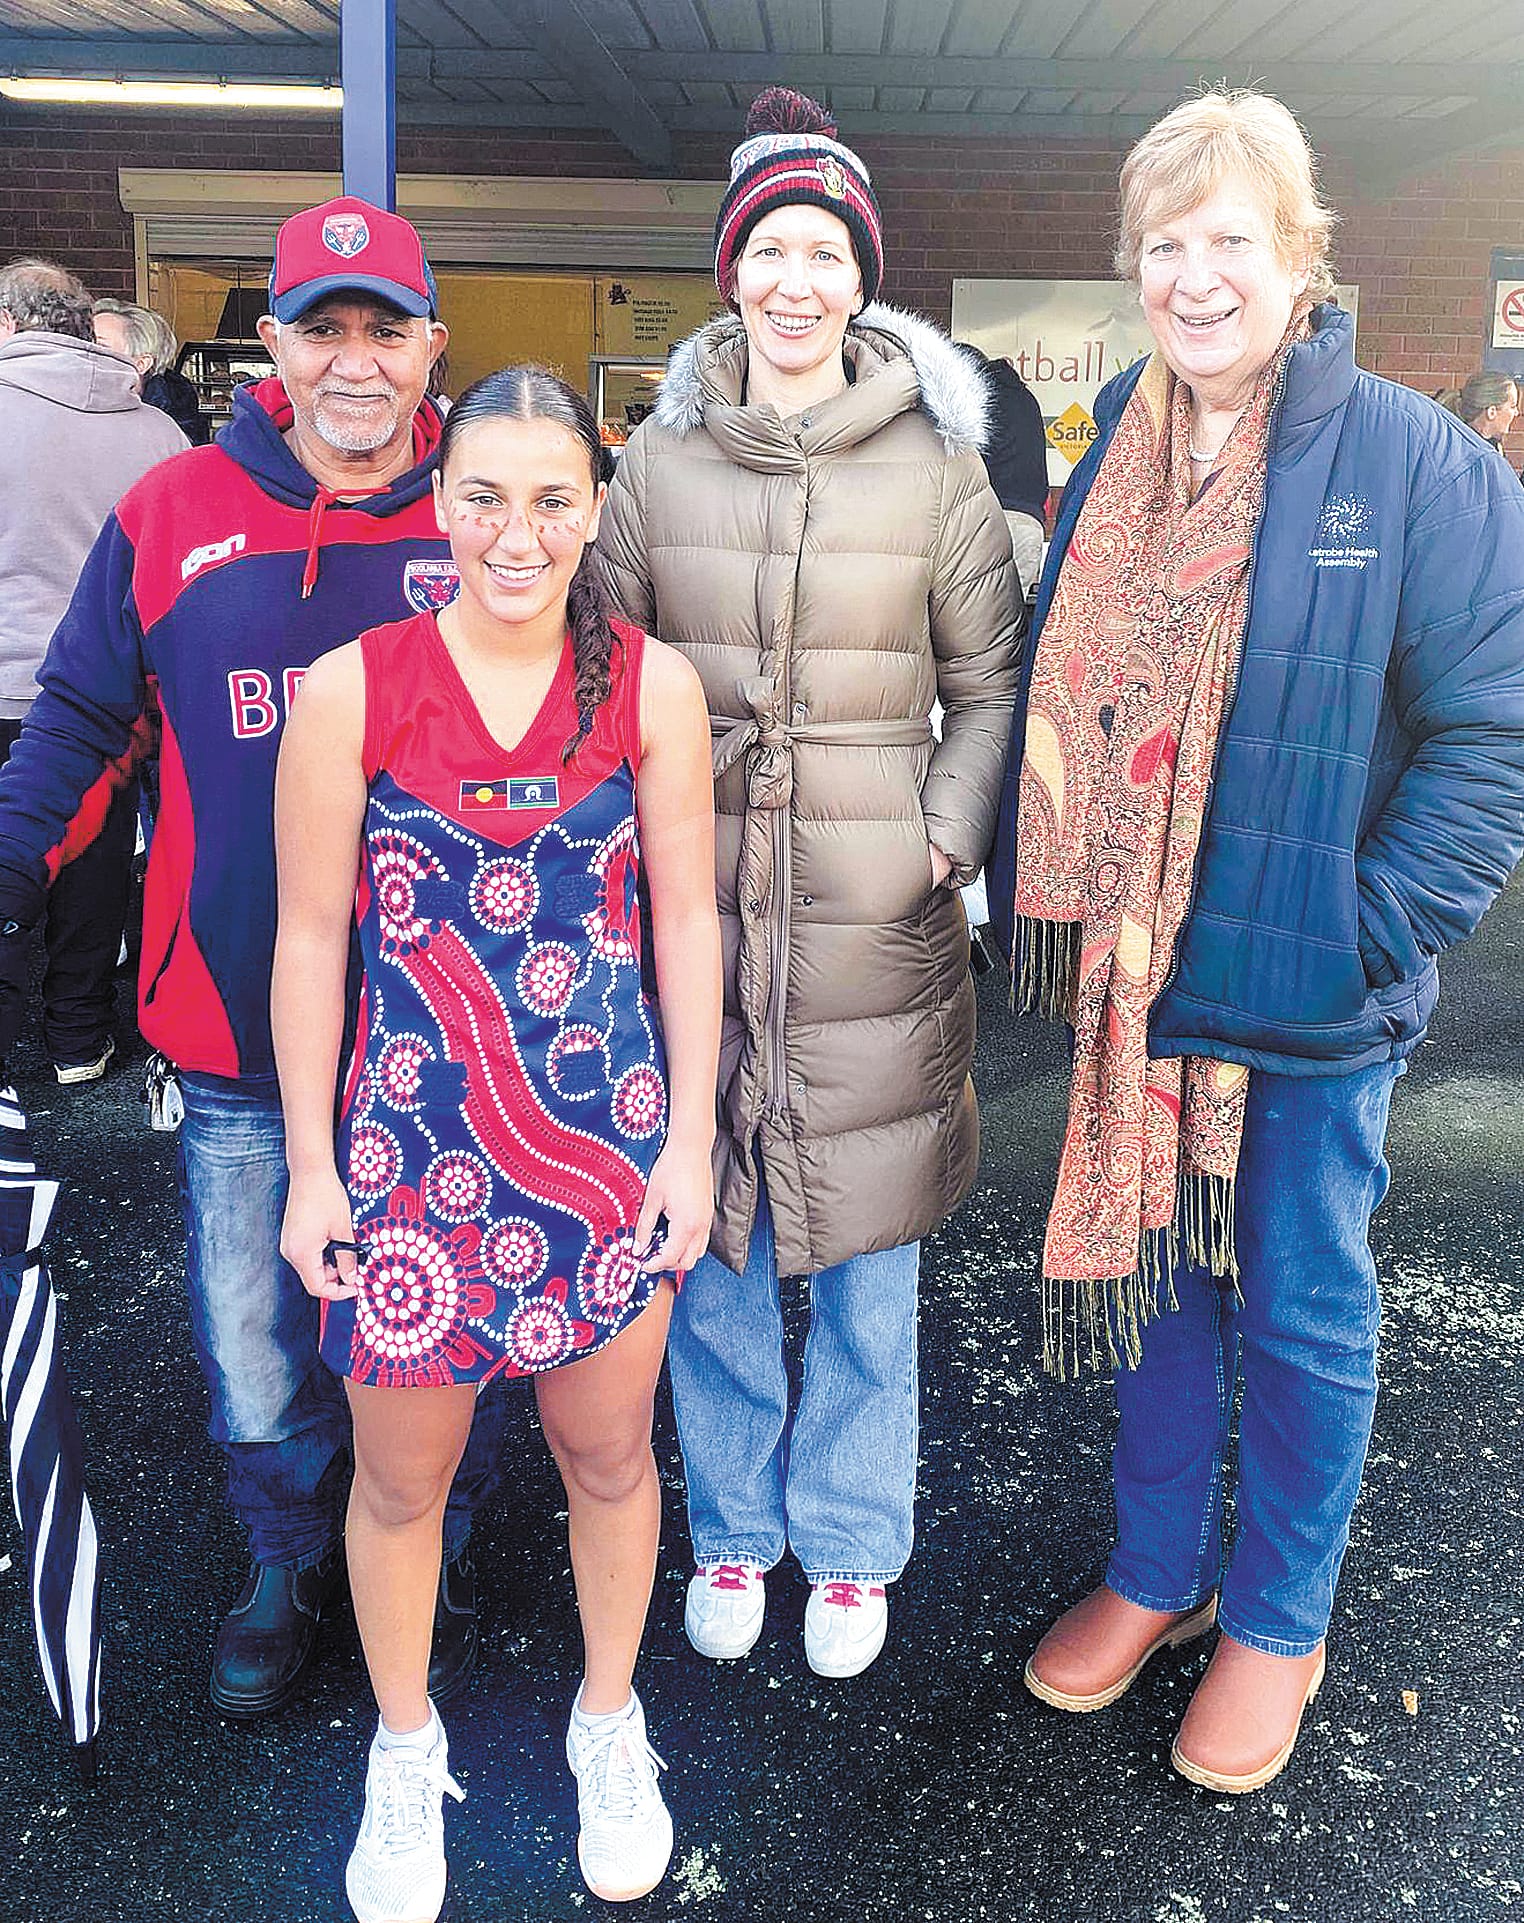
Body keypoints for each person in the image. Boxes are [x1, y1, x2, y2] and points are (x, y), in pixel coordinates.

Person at [986, 90, 1524, 1793]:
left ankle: (1275, 1616)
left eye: (1230, 239)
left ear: (1300, 256)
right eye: (1163, 245)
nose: (1194, 276)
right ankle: (1154, 1571)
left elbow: (1486, 733)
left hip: (1306, 993)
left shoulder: (1410, 460)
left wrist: (1360, 937)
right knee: (1153, 1295)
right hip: (1138, 993)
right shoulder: (1111, 459)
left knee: (1294, 1304)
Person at [0, 198, 510, 1719]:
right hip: (228, 1023)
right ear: (270, 344)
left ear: (432, 345)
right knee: (254, 1328)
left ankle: (432, 1535)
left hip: (446, 1029)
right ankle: (287, 1555)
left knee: (438, 1310)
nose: (356, 362)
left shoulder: (486, 512)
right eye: (323, 327)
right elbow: (82, 718)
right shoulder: (172, 510)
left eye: (386, 329)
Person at [273, 365, 720, 1919]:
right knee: (401, 1484)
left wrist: (692, 1144)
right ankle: (405, 1749)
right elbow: (314, 938)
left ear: (595, 508)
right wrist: (316, 1171)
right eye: (483, 494)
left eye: (551, 498)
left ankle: (612, 1716)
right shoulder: (354, 686)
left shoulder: (652, 688)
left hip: (607, 1154)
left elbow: (688, 926)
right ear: (437, 496)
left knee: (609, 1454)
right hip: (408, 1164)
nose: (515, 531)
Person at [597, 87, 1022, 1680]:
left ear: (861, 279)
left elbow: (989, 681)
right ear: (732, 268)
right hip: (693, 911)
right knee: (705, 1238)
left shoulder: (933, 466)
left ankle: (848, 1541)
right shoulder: (654, 463)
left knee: (865, 1247)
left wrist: (944, 835)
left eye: (824, 251)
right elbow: (601, 665)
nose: (795, 278)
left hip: (874, 913)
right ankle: (738, 1528)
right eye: (769, 245)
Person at [0, 257, 185, 1083]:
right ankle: (79, 1037)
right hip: (114, 691)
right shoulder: (157, 434)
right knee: (94, 864)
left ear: (10, 324)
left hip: (5, 678)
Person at [956, 339, 1049, 593]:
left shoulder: (975, 400)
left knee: (972, 623)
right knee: (1013, 624)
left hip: (987, 522)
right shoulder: (1023, 396)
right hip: (1030, 524)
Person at [93, 297, 210, 445]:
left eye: (99, 346)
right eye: (83, 341)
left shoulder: (172, 430)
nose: (83, 351)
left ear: (141, 364)